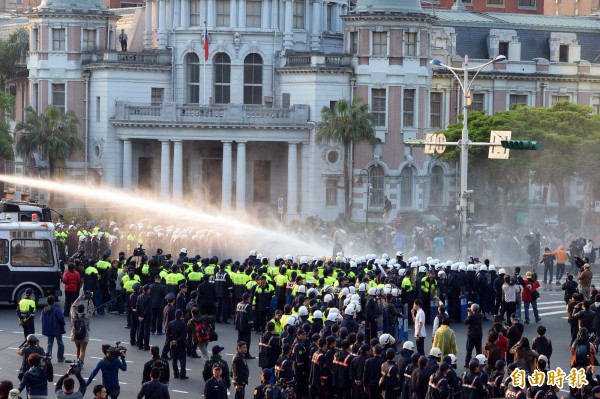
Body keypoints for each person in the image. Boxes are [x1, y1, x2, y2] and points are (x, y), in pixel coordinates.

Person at [70, 293, 94, 365]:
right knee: (82, 350)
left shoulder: (74, 315)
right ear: (84, 309)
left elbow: (73, 306)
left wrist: (78, 298)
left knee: (78, 348)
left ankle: (78, 360)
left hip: (75, 333)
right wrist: (90, 301)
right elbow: (91, 308)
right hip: (84, 334)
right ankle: (81, 362)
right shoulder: (86, 316)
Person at [41, 295, 65, 362]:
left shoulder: (44, 310)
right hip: (57, 329)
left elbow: (42, 319)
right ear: (54, 301)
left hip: (49, 329)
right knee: (60, 343)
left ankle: (48, 357)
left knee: (49, 344)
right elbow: (61, 318)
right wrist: (63, 325)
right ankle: (60, 357)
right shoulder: (56, 309)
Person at [166, 309, 188, 379]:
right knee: (182, 359)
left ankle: (176, 373)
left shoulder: (170, 323)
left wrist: (172, 341)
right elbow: (184, 335)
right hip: (180, 343)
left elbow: (167, 334)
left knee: (174, 359)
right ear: (181, 315)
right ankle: (182, 374)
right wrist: (177, 340)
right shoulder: (183, 324)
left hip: (172, 344)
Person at [235, 293, 255, 358]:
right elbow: (250, 318)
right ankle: (246, 354)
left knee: (240, 339)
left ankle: (238, 351)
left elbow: (237, 315)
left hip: (239, 325)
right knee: (247, 341)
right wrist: (251, 326)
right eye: (249, 297)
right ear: (247, 298)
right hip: (246, 326)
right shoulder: (248, 306)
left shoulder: (238, 304)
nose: (250, 298)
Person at [464, 303, 483, 368]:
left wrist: (469, 315)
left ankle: (467, 363)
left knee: (469, 349)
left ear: (472, 309)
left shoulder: (471, 316)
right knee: (478, 349)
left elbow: (465, 322)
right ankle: (480, 362)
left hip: (471, 335)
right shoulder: (481, 315)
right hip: (479, 334)